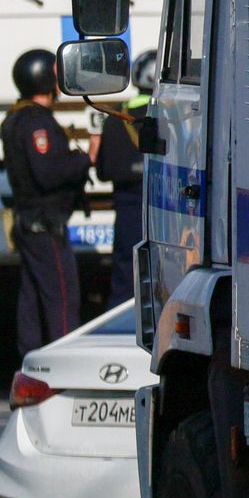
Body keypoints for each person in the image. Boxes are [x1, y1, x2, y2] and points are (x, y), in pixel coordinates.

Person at [2, 49, 97, 357]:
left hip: (31, 223)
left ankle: (29, 362)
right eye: (56, 72)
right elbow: (47, 173)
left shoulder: (18, 117)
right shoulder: (35, 122)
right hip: (45, 225)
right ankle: (65, 364)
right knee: (62, 299)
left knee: (32, 301)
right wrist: (84, 160)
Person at [96, 51, 157, 309]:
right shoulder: (173, 114)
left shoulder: (116, 118)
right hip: (166, 206)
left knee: (125, 274)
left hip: (127, 207)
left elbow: (103, 171)